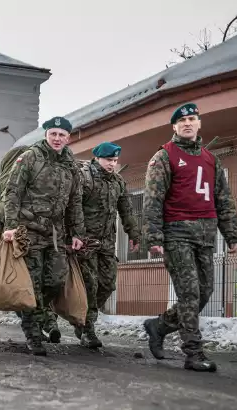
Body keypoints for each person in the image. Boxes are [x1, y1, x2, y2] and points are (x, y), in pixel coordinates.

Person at [142, 102, 237, 372]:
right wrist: (154, 236)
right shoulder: (164, 156)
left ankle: (159, 326)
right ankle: (193, 353)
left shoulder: (211, 159)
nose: (187, 123)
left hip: (205, 236)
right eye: (182, 120)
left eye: (192, 119)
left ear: (199, 124)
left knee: (204, 293)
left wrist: (231, 233)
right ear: (174, 126)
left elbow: (224, 199)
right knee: (189, 293)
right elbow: (152, 199)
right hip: (176, 234)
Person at [2, 116, 85, 356]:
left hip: (56, 234)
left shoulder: (70, 164)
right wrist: (11, 226)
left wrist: (77, 232)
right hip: (28, 230)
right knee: (33, 284)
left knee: (56, 280)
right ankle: (33, 333)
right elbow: (12, 192)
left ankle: (33, 316)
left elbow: (75, 201)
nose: (57, 139)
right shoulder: (30, 157)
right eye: (53, 134)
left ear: (68, 138)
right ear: (46, 135)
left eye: (62, 135)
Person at [73, 142, 140, 348]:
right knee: (90, 285)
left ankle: (83, 318)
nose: (112, 164)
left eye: (115, 160)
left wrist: (134, 233)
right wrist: (76, 234)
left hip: (107, 242)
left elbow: (127, 209)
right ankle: (87, 329)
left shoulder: (117, 182)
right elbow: (74, 207)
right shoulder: (84, 178)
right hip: (86, 242)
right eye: (108, 160)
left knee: (108, 283)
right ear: (98, 158)